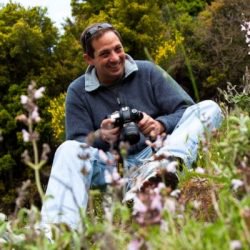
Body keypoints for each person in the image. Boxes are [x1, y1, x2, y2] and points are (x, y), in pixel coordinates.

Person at [40, 22, 223, 230]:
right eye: (105, 53)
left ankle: (160, 171)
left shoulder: (148, 71)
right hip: (113, 166)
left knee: (209, 107)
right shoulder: (77, 91)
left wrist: (160, 124)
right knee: (67, 149)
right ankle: (58, 230)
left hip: (158, 151)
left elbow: (186, 109)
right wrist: (102, 135)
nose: (115, 58)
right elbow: (77, 143)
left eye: (118, 49)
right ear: (89, 59)